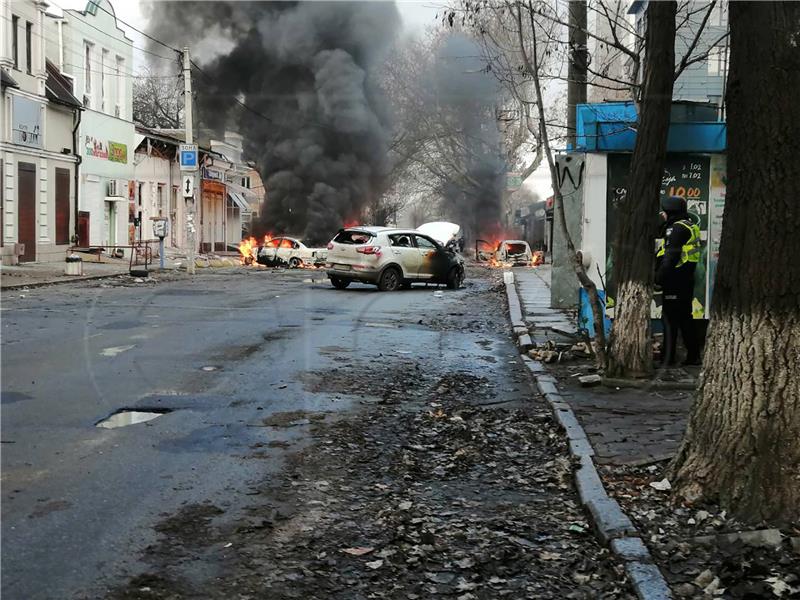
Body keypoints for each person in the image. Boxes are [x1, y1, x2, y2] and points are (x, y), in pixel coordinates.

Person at [655, 195, 701, 366]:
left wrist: (659, 277)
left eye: (664, 212)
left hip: (675, 279)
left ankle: (668, 359)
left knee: (669, 320)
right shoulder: (689, 225)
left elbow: (671, 257)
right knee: (685, 318)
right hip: (686, 278)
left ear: (670, 211)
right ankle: (693, 356)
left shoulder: (677, 229)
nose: (662, 214)